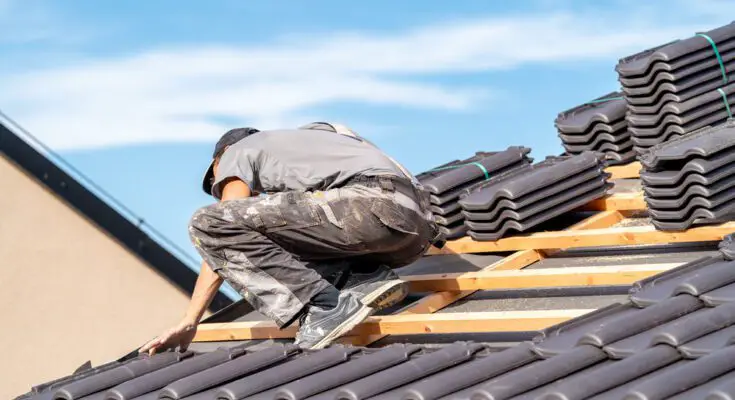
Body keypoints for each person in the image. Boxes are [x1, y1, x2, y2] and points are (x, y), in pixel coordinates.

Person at [139, 122, 439, 352]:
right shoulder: (316, 142)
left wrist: (191, 319)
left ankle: (326, 307)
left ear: (222, 159)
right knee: (274, 227)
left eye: (219, 178)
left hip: (370, 207)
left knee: (208, 222)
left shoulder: (238, 152)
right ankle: (363, 278)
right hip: (415, 233)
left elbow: (220, 229)